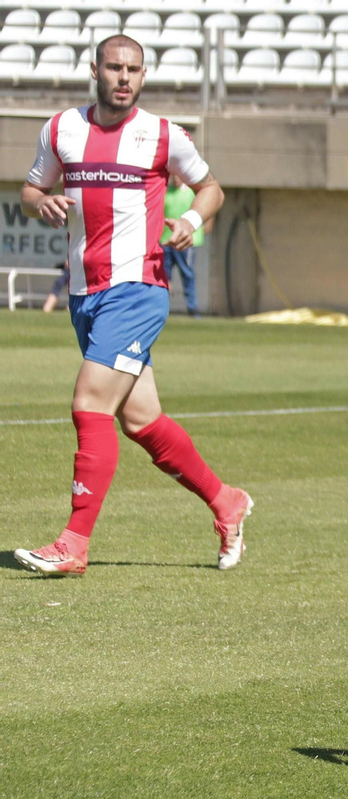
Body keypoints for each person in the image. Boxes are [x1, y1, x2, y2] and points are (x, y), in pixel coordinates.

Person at [12, 35, 253, 576]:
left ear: (143, 76)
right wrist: (41, 202)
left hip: (137, 289)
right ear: (94, 70)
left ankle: (73, 544)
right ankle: (227, 502)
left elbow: (210, 188)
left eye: (133, 69)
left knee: (90, 405)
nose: (123, 77)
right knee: (141, 421)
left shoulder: (164, 135)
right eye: (114, 67)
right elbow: (29, 192)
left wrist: (189, 220)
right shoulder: (60, 129)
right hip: (85, 293)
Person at [161, 171, 206, 317]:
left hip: (185, 242)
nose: (176, 179)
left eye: (178, 176)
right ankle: (163, 310)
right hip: (166, 241)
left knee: (187, 274)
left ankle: (193, 310)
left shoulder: (191, 193)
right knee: (164, 277)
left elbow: (205, 207)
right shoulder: (166, 192)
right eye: (173, 176)